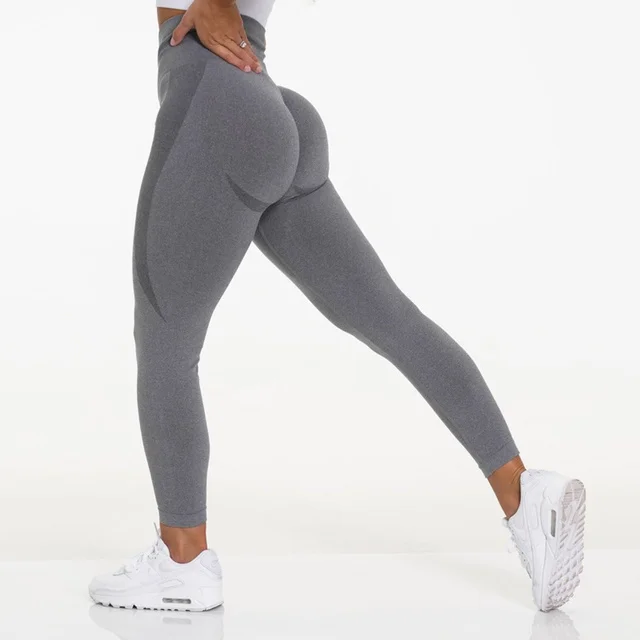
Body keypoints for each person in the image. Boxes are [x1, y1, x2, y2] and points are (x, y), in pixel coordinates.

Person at [88, 0, 586, 614]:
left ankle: (182, 562)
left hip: (215, 107)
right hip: (269, 109)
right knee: (389, 317)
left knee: (165, 339)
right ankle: (525, 495)